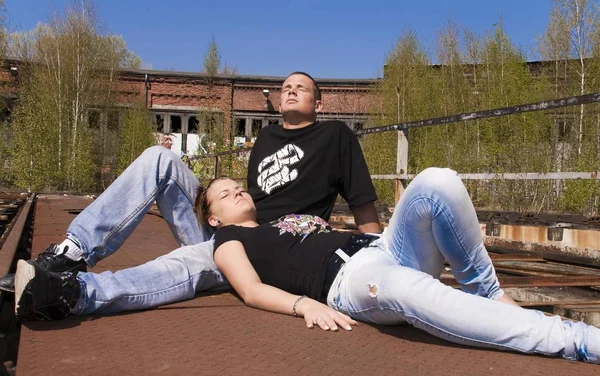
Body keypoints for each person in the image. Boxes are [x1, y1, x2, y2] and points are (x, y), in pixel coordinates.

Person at [9, 72, 381, 317]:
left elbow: (363, 203)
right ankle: (70, 253)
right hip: (232, 226)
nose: (290, 89)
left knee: (185, 261)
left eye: (301, 87)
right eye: (285, 86)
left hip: (264, 250)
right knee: (160, 158)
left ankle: (71, 294)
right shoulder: (266, 138)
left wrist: (377, 254)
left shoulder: (336, 137)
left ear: (318, 104)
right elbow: (251, 196)